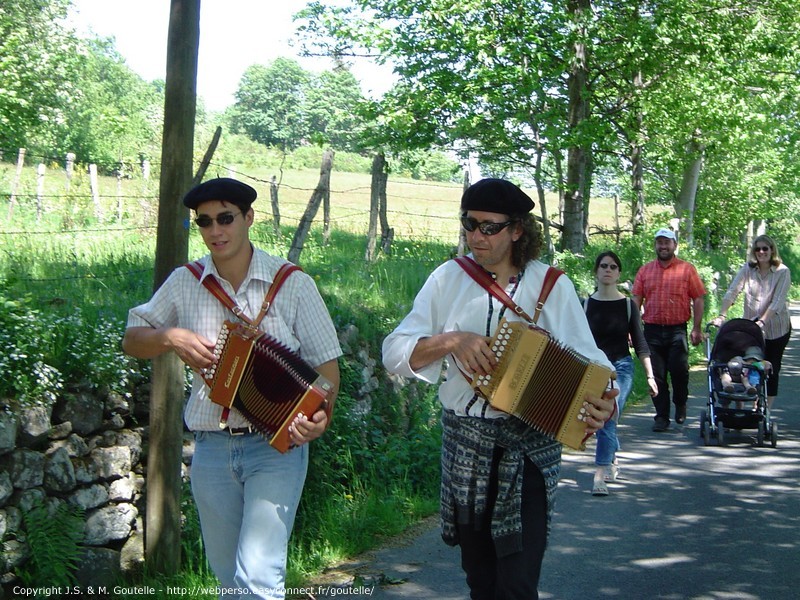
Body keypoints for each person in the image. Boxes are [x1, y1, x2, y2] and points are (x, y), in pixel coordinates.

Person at [382, 178, 617, 600]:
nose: (476, 236)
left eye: (489, 227)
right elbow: (394, 353)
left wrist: (605, 402)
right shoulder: (446, 279)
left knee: (517, 584)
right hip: (466, 447)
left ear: (516, 230)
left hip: (529, 452)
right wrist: (452, 340)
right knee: (482, 581)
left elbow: (593, 362)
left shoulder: (551, 285)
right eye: (469, 224)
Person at [121, 178, 341, 599]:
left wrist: (319, 419)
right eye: (204, 222)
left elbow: (326, 369)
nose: (216, 231)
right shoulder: (185, 282)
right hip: (211, 448)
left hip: (276, 448)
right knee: (230, 582)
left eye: (226, 218)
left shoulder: (291, 282)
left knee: (258, 577)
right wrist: (171, 336)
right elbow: (132, 339)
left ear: (249, 218)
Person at [584, 251, 657, 497]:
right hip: (594, 368)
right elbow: (577, 341)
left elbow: (640, 343)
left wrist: (650, 376)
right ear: (596, 271)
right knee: (607, 418)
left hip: (622, 368)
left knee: (608, 415)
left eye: (613, 267)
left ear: (619, 273)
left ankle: (599, 474)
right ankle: (611, 457)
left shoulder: (628, 305)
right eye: (603, 265)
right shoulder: (585, 304)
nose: (608, 270)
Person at [632, 228, 706, 432]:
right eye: (659, 243)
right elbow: (636, 300)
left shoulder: (687, 269)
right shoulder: (645, 271)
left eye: (667, 243)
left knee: (679, 371)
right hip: (652, 331)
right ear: (655, 245)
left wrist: (697, 328)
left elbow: (698, 297)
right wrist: (632, 329)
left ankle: (680, 403)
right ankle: (661, 416)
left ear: (675, 245)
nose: (663, 246)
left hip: (677, 330)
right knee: (656, 375)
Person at [711, 234, 791, 409]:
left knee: (771, 368)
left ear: (772, 250)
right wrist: (722, 315)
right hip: (751, 331)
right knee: (746, 363)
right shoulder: (748, 269)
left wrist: (762, 322)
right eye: (758, 249)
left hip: (776, 329)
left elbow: (777, 302)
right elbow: (733, 291)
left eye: (765, 248)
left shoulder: (782, 272)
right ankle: (742, 404)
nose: (761, 252)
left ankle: (763, 410)